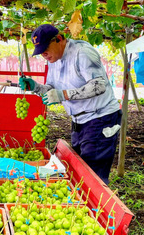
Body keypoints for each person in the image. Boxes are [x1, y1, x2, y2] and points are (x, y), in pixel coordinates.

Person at [20, 24, 122, 184]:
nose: (44, 55)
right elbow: (52, 88)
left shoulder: (82, 53)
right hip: (79, 121)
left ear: (59, 39)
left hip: (101, 118)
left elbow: (99, 85)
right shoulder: (53, 60)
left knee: (93, 173)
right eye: (41, 52)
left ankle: (99, 207)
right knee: (79, 168)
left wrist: (64, 94)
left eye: (46, 49)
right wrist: (36, 87)